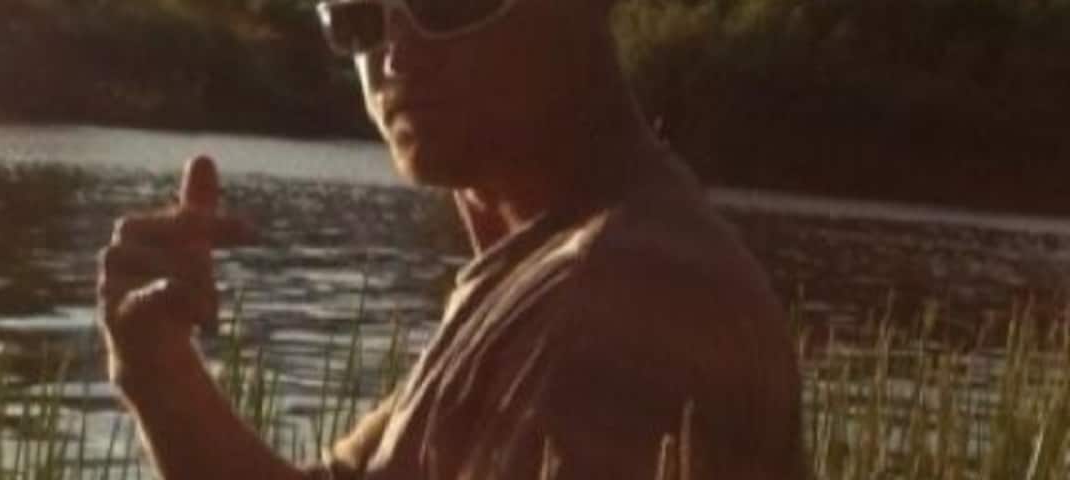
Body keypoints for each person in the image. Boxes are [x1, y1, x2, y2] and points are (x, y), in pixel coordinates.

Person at [94, 0, 806, 477]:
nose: (393, 58)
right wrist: (159, 375)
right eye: (357, 17)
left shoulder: (620, 299)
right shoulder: (542, 268)